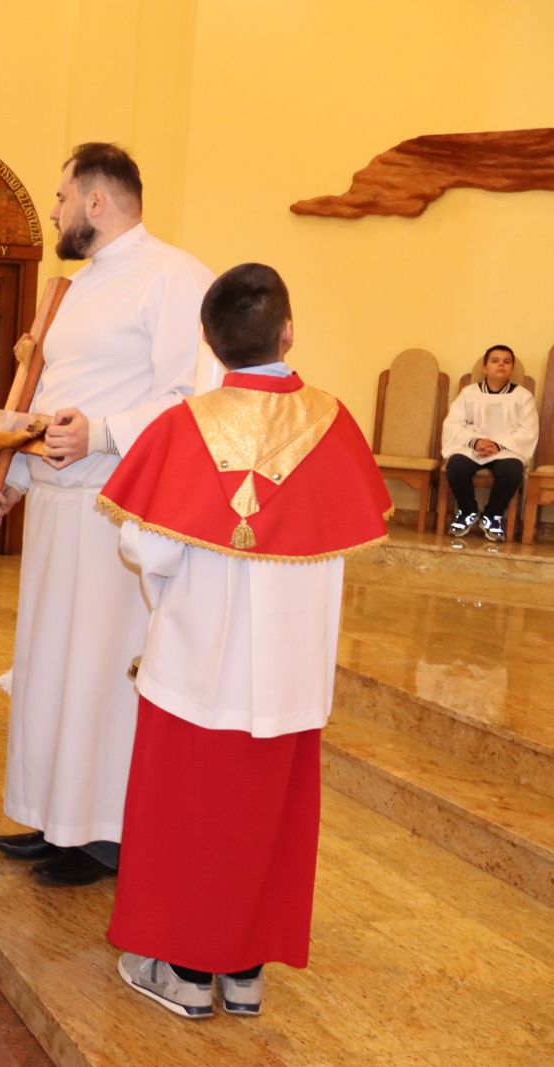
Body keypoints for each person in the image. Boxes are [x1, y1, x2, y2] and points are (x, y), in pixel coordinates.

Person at [98, 263, 390, 1019]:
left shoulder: (183, 426)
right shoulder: (335, 425)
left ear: (210, 340)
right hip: (289, 679)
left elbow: (149, 548)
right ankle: (247, 974)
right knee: (263, 824)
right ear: (287, 332)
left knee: (189, 818)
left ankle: (187, 974)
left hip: (197, 667)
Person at [0, 143, 214, 888]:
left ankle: (105, 833)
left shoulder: (174, 277)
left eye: (60, 197)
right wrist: (15, 479)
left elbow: (193, 397)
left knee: (99, 671)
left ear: (96, 200)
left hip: (118, 511)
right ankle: (56, 817)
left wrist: (106, 432)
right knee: (50, 666)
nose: (52, 211)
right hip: (57, 507)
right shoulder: (74, 289)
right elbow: (54, 397)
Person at [441, 344, 539, 542]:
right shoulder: (469, 393)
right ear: (485, 367)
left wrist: (499, 445)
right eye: (495, 361)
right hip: (472, 446)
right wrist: (475, 442)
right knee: (456, 466)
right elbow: (453, 424)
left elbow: (528, 430)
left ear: (512, 369)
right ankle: (467, 510)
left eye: (506, 362)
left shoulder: (522, 396)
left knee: (511, 471)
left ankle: (493, 515)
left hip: (507, 448)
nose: (501, 365)